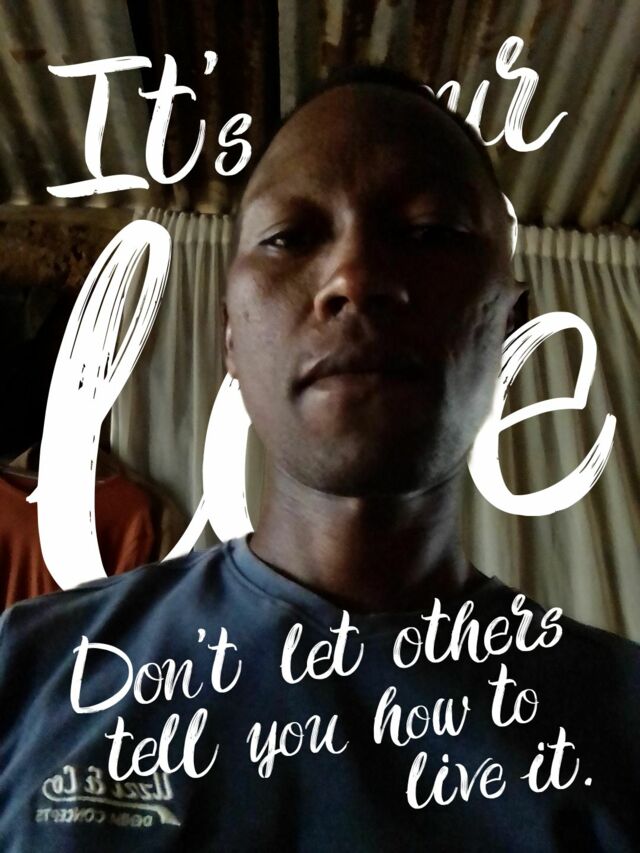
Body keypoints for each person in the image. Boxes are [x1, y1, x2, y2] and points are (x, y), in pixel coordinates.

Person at [0, 66, 638, 853]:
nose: (355, 278)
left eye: (431, 231)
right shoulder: (29, 674)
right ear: (230, 336)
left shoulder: (623, 723)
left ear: (512, 327)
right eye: (290, 237)